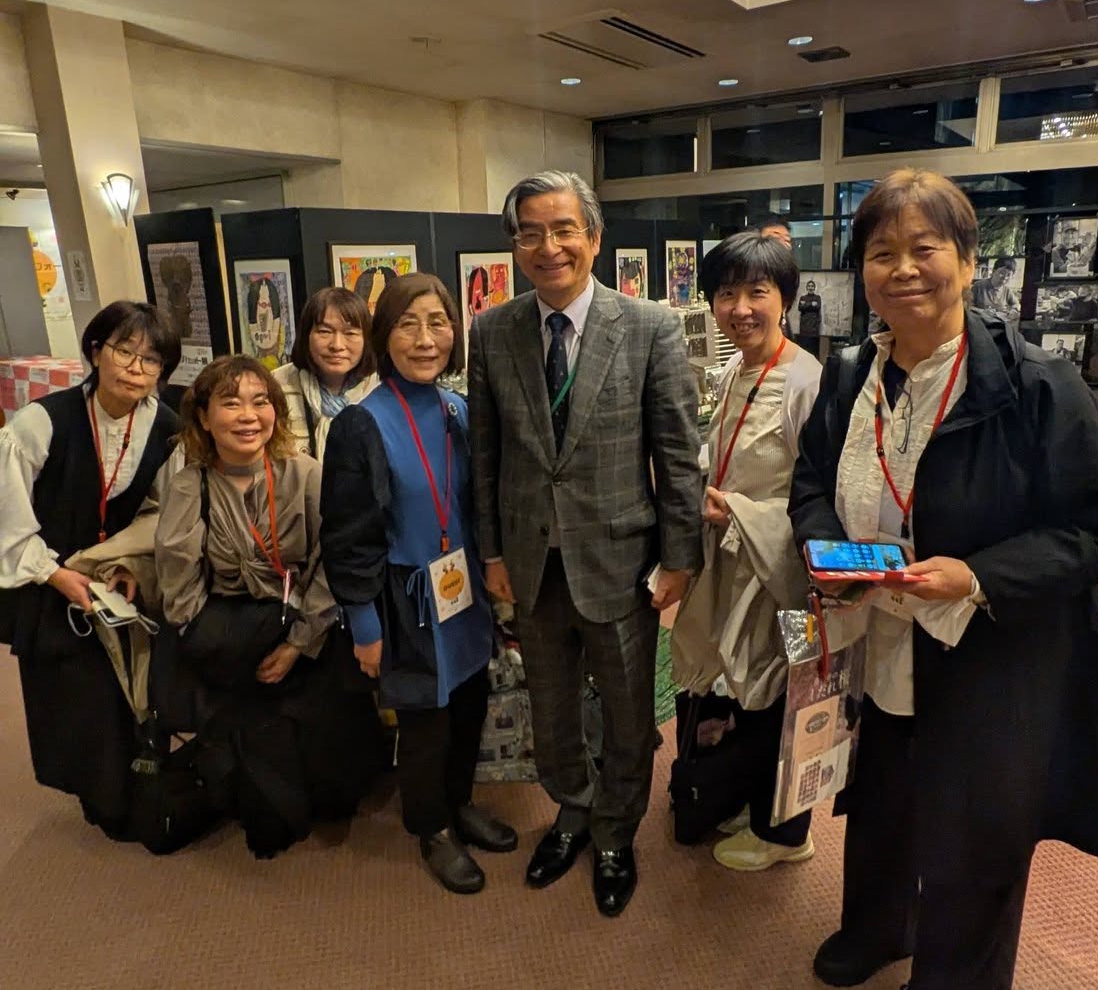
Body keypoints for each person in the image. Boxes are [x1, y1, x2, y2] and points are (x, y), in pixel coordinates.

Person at [789, 168, 1098, 990]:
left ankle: (954, 989)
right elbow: (811, 483)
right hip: (880, 629)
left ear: (970, 262)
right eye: (881, 253)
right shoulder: (851, 376)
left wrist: (977, 575)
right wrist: (828, 553)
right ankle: (879, 926)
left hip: (991, 645)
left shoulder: (1034, 384)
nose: (903, 270)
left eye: (924, 249)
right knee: (885, 794)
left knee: (977, 817)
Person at [468, 170, 702, 919]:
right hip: (531, 565)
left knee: (630, 714)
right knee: (552, 707)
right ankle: (571, 810)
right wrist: (492, 553)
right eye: (530, 233)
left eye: (564, 229)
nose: (549, 247)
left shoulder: (650, 326)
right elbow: (484, 454)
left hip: (620, 562)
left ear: (594, 238)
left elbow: (678, 452)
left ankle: (614, 833)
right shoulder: (493, 331)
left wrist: (680, 557)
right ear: (515, 246)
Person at [320, 274, 517, 894]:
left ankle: (460, 804)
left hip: (463, 592)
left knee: (469, 706)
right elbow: (347, 536)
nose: (426, 339)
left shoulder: (459, 410)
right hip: (405, 600)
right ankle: (431, 828)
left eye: (438, 323)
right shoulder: (361, 424)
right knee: (426, 725)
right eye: (408, 324)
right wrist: (364, 625)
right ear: (384, 336)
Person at [155, 357, 379, 858]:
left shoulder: (306, 475)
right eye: (230, 403)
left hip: (306, 626)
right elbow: (180, 587)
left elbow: (333, 564)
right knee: (269, 825)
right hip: (234, 639)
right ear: (204, 417)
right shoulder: (190, 486)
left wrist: (298, 644)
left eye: (260, 402)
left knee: (336, 787)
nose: (248, 416)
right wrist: (224, 650)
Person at [0, 300, 181, 837]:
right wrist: (54, 573)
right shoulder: (41, 421)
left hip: (116, 577)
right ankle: (100, 798)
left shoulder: (164, 425)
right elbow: (8, 511)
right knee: (75, 694)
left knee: (133, 685)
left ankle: (134, 788)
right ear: (96, 351)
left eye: (151, 360)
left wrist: (128, 564)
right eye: (124, 351)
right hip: (48, 576)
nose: (136, 368)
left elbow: (160, 510)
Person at [672, 230, 823, 871]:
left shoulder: (805, 382)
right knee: (747, 692)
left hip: (786, 577)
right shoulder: (737, 367)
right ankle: (756, 804)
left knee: (787, 695)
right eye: (726, 294)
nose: (740, 309)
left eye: (757, 292)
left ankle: (786, 834)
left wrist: (734, 508)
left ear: (784, 298)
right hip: (739, 565)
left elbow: (821, 498)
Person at [274, 285, 378, 459]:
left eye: (350, 333)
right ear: (306, 335)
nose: (337, 345)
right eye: (324, 332)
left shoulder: (380, 389)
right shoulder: (275, 386)